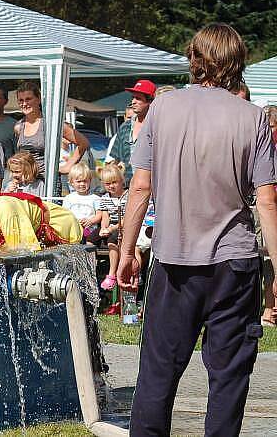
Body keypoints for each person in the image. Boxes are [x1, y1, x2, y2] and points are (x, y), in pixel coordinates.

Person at [117, 24, 277, 437]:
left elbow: (140, 186)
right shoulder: (254, 118)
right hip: (235, 265)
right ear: (237, 63)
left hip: (174, 260)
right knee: (228, 379)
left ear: (195, 58)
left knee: (157, 374)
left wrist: (127, 250)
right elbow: (267, 200)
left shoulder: (163, 109)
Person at [14, 82, 90, 180]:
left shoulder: (51, 124)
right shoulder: (18, 127)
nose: (24, 103)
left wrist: (67, 166)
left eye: (28, 99)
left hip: (47, 182)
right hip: (25, 182)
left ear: (38, 99)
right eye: (21, 100)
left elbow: (83, 143)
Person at [108, 79, 156, 185]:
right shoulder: (125, 126)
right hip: (126, 186)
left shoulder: (157, 126)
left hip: (151, 187)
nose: (133, 101)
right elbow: (115, 160)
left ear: (150, 101)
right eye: (133, 97)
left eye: (138, 98)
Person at [97, 163, 128, 291]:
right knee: (91, 238)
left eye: (114, 182)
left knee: (112, 241)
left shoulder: (128, 196)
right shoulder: (105, 198)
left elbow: (127, 219)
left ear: (121, 181)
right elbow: (105, 217)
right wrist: (103, 228)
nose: (111, 186)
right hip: (110, 226)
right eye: (107, 184)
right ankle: (93, 270)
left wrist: (111, 229)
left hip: (122, 227)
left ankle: (111, 274)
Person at [62, 163, 102, 244]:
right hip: (73, 229)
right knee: (71, 239)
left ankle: (89, 255)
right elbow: (65, 215)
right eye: (79, 181)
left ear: (90, 181)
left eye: (85, 181)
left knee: (86, 239)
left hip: (90, 230)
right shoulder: (68, 198)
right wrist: (75, 221)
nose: (82, 184)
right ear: (71, 182)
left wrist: (91, 221)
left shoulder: (95, 198)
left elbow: (99, 215)